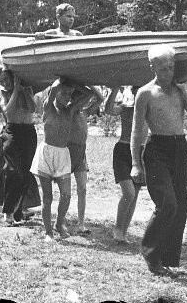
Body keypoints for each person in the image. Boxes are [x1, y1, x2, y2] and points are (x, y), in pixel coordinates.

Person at [130, 45, 187, 275]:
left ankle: (170, 260)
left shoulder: (179, 90)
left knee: (180, 207)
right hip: (157, 149)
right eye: (163, 68)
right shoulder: (145, 93)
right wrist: (135, 163)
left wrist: (185, 91)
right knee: (167, 203)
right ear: (152, 67)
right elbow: (136, 130)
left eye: (171, 67)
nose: (168, 72)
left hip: (179, 148)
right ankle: (150, 252)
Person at [32, 77, 94, 240]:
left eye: (70, 94)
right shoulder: (48, 108)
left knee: (66, 194)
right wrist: (60, 79)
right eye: (64, 93)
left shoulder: (71, 110)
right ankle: (48, 232)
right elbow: (52, 92)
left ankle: (59, 223)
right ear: (57, 93)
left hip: (62, 154)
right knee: (47, 196)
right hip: (46, 154)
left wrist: (75, 83)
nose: (68, 96)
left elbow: (89, 95)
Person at [0, 68, 40, 226]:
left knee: (25, 172)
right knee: (12, 172)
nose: (4, 84)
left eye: (6, 80)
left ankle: (18, 209)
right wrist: (14, 90)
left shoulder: (26, 89)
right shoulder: (1, 93)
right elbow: (7, 110)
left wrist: (23, 91)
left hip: (28, 132)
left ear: (13, 77)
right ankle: (8, 212)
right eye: (1, 82)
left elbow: (33, 109)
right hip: (12, 132)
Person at [104, 86, 143, 243]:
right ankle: (118, 230)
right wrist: (115, 89)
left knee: (135, 194)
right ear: (133, 92)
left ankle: (123, 233)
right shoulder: (126, 109)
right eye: (136, 91)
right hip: (123, 149)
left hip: (141, 152)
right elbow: (108, 110)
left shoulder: (151, 109)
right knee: (129, 193)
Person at [65, 80, 102, 235]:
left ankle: (81, 223)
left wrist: (91, 84)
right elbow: (90, 95)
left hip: (81, 153)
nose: (83, 100)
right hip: (67, 152)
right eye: (79, 98)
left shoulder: (84, 112)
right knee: (65, 191)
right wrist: (82, 84)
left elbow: (100, 98)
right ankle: (61, 220)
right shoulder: (70, 110)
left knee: (83, 188)